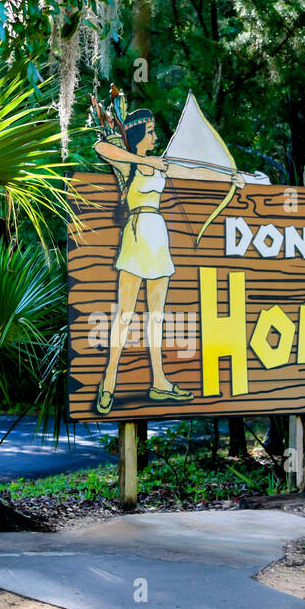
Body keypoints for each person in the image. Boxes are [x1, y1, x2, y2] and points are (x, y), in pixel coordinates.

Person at [93, 108, 244, 414]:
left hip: (158, 239)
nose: (154, 136)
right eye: (149, 131)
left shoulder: (161, 166)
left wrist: (230, 177)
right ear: (137, 136)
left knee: (156, 317)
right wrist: (143, 161)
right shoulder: (128, 166)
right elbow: (100, 148)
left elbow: (193, 172)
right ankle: (108, 382)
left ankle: (159, 380)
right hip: (135, 238)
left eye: (154, 131)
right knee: (125, 315)